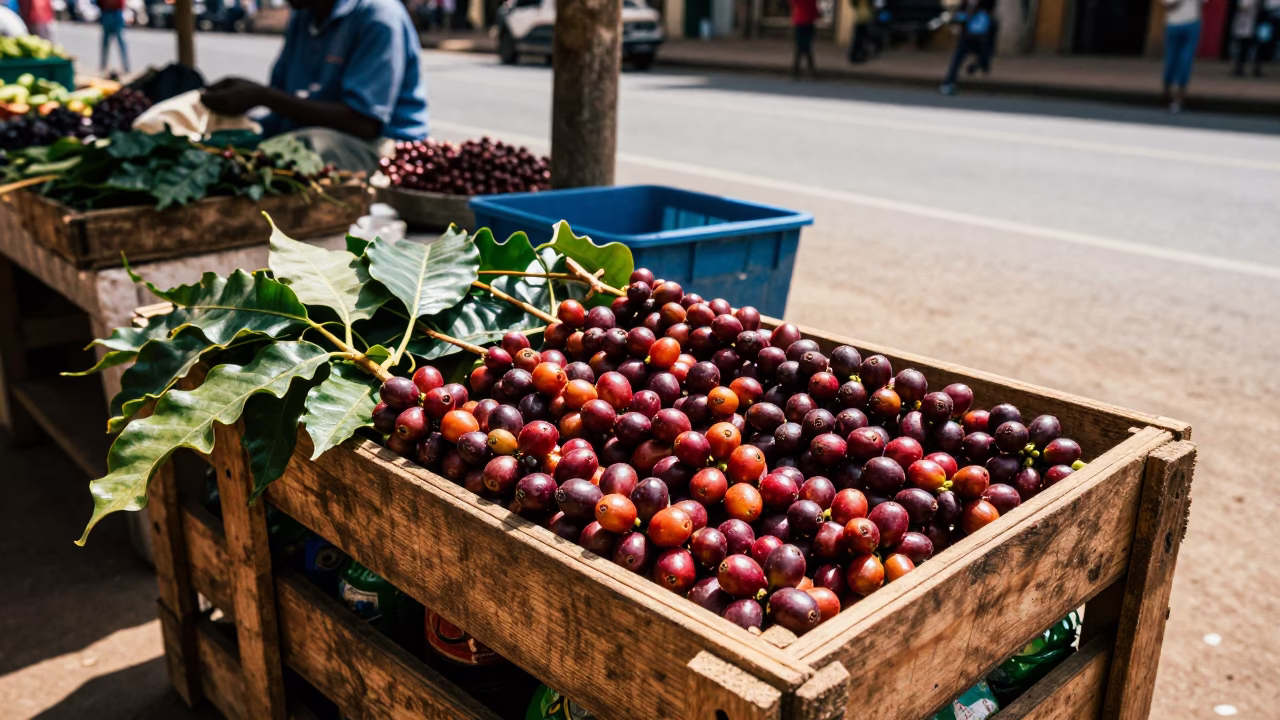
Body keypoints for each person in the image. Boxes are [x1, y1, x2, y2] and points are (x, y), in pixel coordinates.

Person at [201, 0, 429, 172]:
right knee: (232, 141)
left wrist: (263, 96)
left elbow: (363, 123)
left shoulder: (378, 16)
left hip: (384, 148)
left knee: (299, 148)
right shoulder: (304, 17)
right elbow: (285, 105)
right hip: (318, 129)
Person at [940, 0, 993, 96]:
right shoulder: (965, 4)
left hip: (981, 38)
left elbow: (989, 15)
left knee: (984, 58)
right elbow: (960, 16)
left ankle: (975, 69)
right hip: (967, 36)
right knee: (957, 58)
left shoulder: (985, 5)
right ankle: (949, 82)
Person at [1162, 0, 1204, 113]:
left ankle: (1167, 93)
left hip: (1173, 23)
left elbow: (1167, 6)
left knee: (1172, 58)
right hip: (1191, 23)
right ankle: (1179, 97)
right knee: (1185, 60)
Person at [97, 0, 129, 74]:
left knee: (121, 42)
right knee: (105, 43)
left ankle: (126, 66)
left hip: (116, 13)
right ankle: (103, 65)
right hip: (106, 13)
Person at [1232, 0, 1262, 76]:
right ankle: (1239, 68)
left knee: (1249, 48)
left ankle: (1253, 68)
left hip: (1251, 25)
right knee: (1243, 48)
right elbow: (1242, 8)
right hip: (1244, 25)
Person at [790, 0, 819, 79]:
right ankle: (809, 69)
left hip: (801, 20)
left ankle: (797, 69)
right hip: (809, 21)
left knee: (801, 46)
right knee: (805, 46)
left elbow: (792, 3)